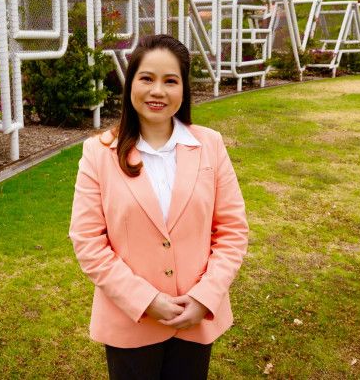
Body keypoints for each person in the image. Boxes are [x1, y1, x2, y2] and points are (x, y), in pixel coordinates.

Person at [69, 34, 248, 380]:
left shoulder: (210, 145)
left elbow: (232, 230)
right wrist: (146, 300)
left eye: (170, 81)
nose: (157, 91)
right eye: (147, 78)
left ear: (183, 90)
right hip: (129, 320)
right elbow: (88, 241)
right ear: (130, 83)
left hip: (195, 320)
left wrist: (205, 297)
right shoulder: (98, 152)